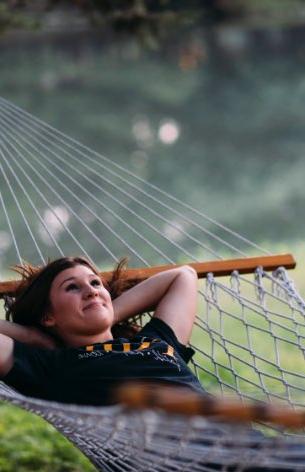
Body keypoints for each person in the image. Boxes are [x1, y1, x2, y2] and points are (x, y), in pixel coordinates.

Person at [0, 256, 204, 405]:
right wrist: (30, 336)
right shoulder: (52, 366)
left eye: (95, 283)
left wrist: (108, 315)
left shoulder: (157, 339)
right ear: (48, 317)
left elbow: (184, 275)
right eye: (72, 287)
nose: (92, 291)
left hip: (222, 433)